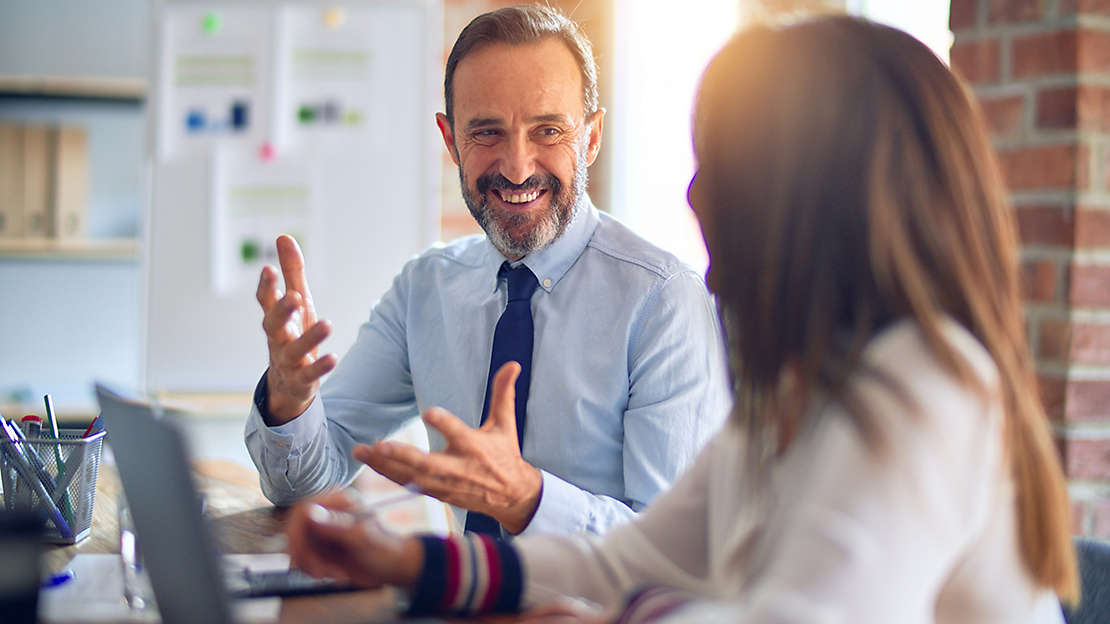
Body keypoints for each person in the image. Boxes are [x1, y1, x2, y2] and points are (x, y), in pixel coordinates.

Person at [281, 14, 1081, 622]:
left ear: (817, 200)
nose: (696, 194)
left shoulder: (924, 390)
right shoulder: (794, 395)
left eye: (723, 166)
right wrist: (407, 562)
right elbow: (627, 565)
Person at [245, 4, 730, 537]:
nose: (517, 168)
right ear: (451, 140)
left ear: (591, 138)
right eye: (487, 133)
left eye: (548, 130)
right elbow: (305, 484)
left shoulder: (663, 301)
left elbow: (675, 550)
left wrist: (528, 501)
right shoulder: (424, 290)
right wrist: (289, 402)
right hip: (457, 586)